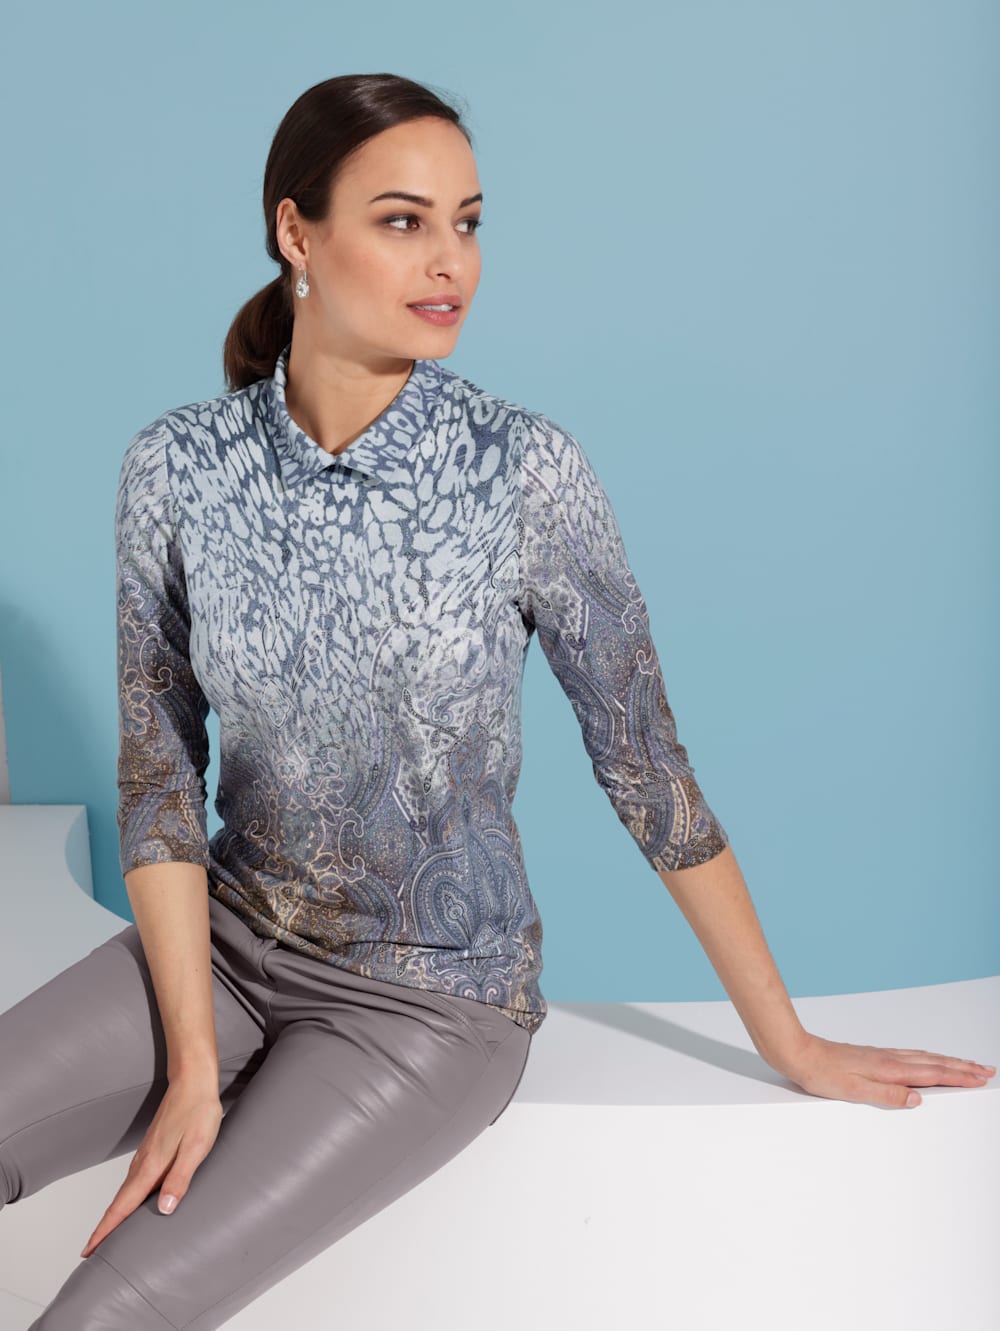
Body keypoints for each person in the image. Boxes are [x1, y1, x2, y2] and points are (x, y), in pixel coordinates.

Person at [1, 71, 994, 1331]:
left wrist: (786, 1038)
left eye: (467, 223)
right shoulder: (178, 465)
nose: (450, 262)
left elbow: (645, 765)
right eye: (403, 221)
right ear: (295, 231)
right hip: (223, 947)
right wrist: (191, 1061)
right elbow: (158, 776)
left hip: (428, 1005)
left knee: (102, 1312)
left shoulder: (523, 470)